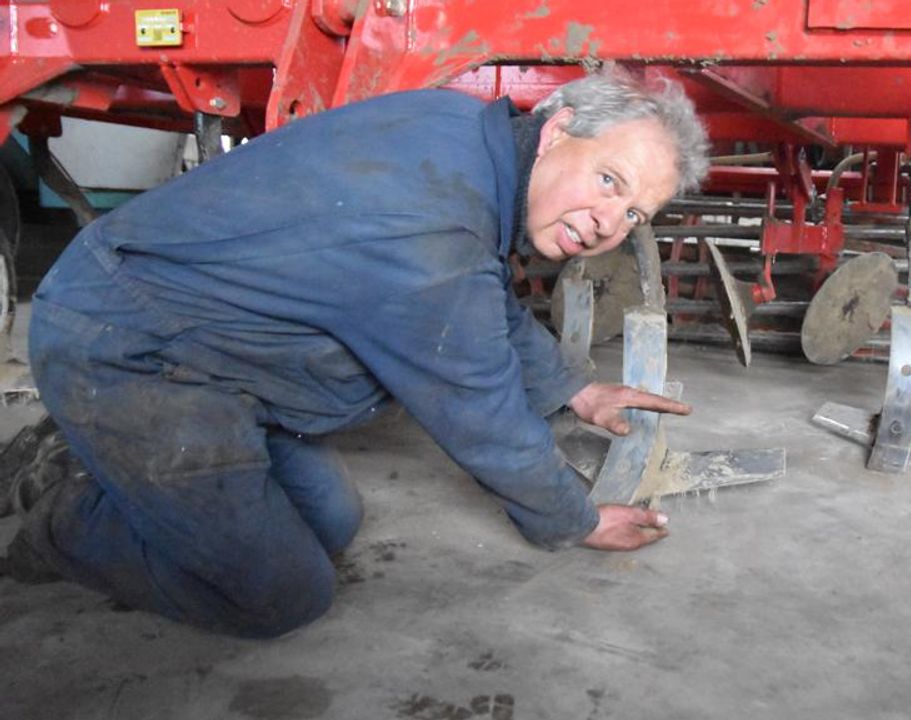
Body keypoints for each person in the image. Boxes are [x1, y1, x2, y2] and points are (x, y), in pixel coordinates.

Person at [0, 70, 710, 638]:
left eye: (634, 215)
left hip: (219, 359)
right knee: (282, 596)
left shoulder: (467, 143)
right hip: (131, 349)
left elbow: (476, 298)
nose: (608, 224)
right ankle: (62, 518)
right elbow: (479, 409)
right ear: (557, 133)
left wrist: (576, 392)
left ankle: (108, 465)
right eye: (610, 182)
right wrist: (576, 520)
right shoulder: (430, 223)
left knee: (333, 519)